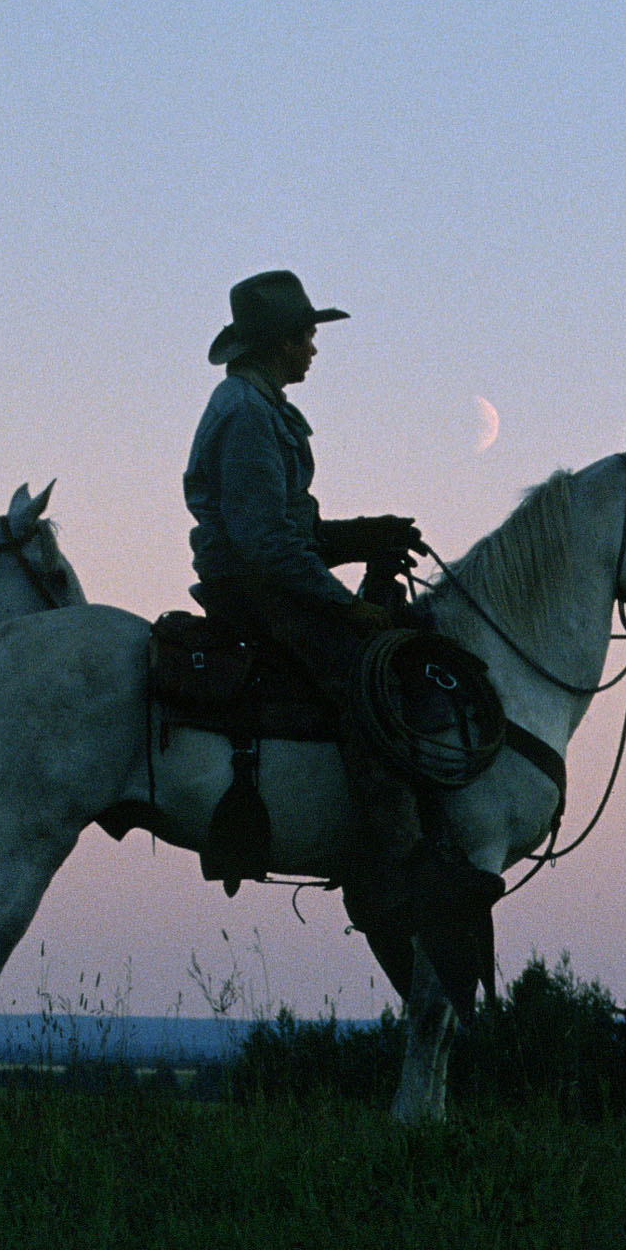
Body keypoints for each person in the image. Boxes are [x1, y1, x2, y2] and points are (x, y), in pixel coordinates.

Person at [184, 270, 424, 930]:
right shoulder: (250, 418)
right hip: (259, 592)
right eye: (306, 337)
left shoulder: (257, 409)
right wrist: (345, 606)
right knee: (367, 679)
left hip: (266, 579)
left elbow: (293, 531)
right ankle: (388, 859)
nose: (314, 349)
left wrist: (368, 535)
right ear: (278, 344)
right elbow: (267, 545)